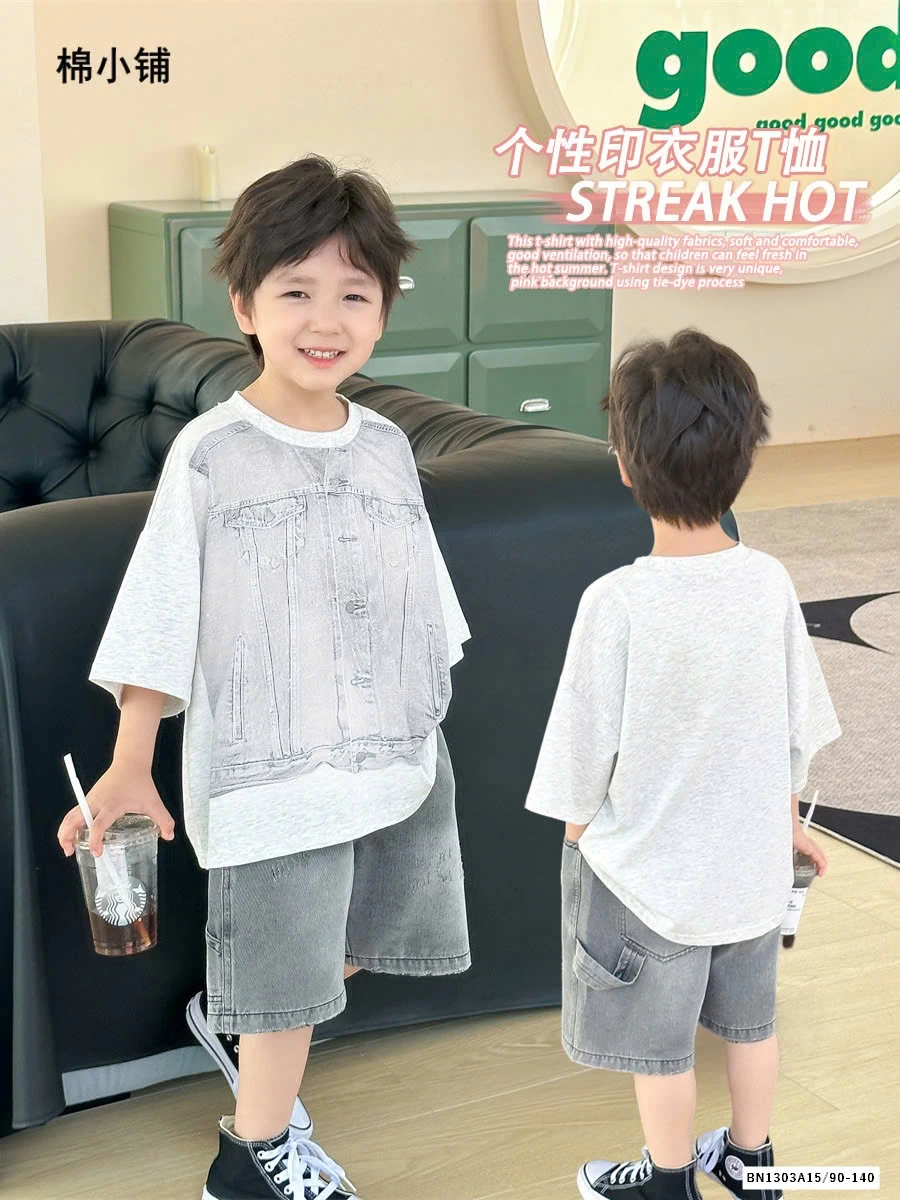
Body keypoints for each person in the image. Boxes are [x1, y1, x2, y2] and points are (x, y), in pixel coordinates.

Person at [57, 153, 472, 1200]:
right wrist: (130, 765)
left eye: (354, 295)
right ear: (244, 305)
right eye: (295, 292)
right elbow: (161, 615)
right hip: (271, 777)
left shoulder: (389, 447)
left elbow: (419, 601)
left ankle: (242, 1020)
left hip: (393, 758)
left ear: (383, 313)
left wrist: (421, 722)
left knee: (353, 939)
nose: (325, 320)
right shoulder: (213, 453)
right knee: (289, 982)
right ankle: (249, 1159)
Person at [524, 329, 841, 1200]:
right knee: (752, 1024)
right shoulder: (769, 582)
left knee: (659, 1050)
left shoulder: (616, 602)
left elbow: (580, 755)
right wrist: (786, 826)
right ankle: (750, 1159)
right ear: (744, 461)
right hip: (749, 872)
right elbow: (792, 728)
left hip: (648, 881)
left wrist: (579, 840)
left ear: (627, 465)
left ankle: (668, 1183)